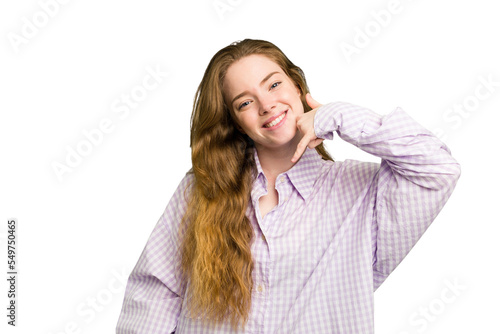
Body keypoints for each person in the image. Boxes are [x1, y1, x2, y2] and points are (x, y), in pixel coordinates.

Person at [115, 39, 461, 334]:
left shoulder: (362, 191)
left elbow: (438, 167)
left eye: (274, 85)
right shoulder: (201, 189)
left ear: (298, 86)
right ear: (235, 122)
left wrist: (334, 117)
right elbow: (153, 295)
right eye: (245, 102)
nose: (266, 105)